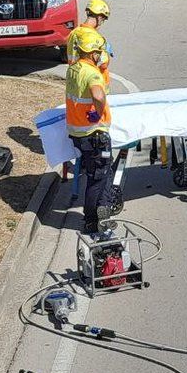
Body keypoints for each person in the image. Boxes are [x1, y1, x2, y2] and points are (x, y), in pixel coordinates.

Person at [66, 27, 115, 235]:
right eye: (99, 52)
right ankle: (92, 220)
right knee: (97, 177)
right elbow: (98, 95)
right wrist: (99, 111)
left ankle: (103, 210)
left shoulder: (73, 69)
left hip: (79, 131)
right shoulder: (91, 73)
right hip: (94, 133)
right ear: (93, 53)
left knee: (102, 172)